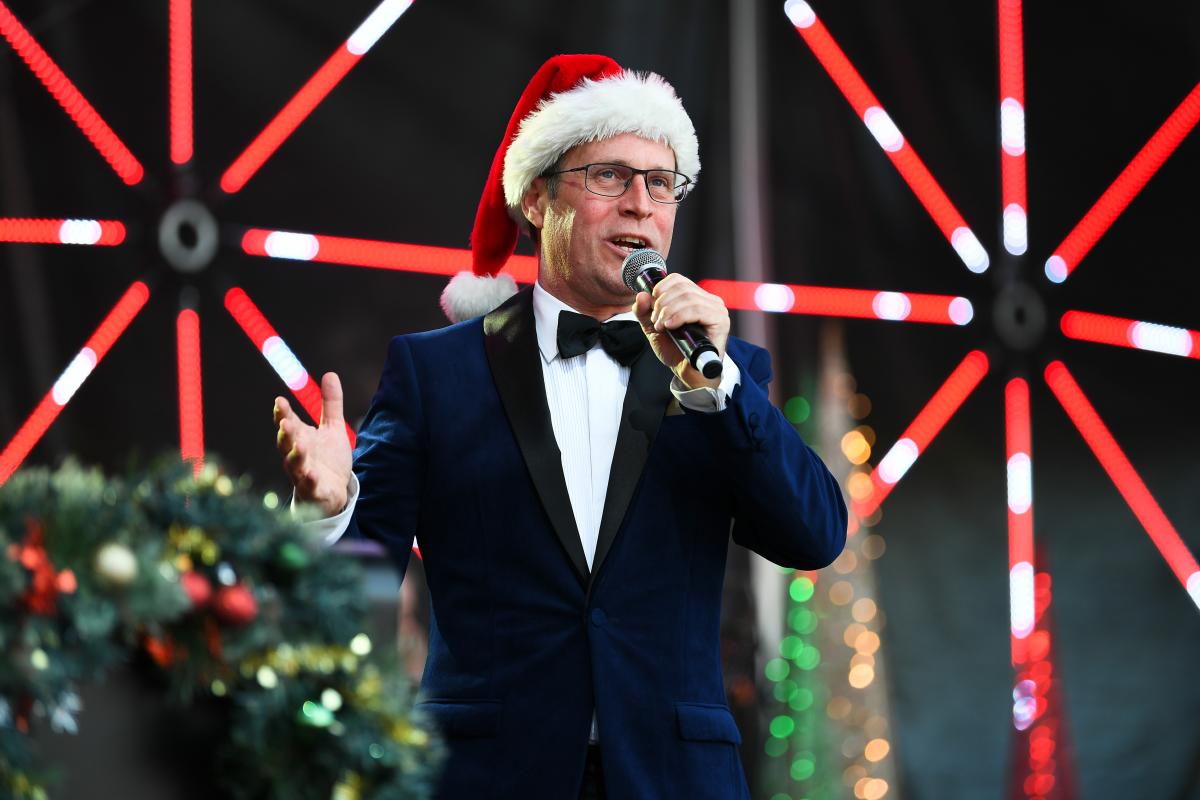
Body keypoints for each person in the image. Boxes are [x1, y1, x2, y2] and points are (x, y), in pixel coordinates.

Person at [273, 54, 847, 800]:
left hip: (676, 779)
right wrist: (325, 511)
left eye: (662, 182)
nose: (641, 205)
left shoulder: (724, 372)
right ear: (538, 202)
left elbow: (815, 535)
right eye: (610, 175)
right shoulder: (436, 374)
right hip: (486, 778)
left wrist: (722, 392)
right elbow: (357, 587)